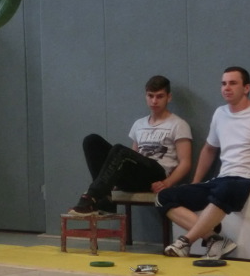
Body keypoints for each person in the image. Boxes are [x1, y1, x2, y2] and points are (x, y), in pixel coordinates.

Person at [157, 66, 250, 259]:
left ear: (246, 88)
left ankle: (185, 242)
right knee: (164, 197)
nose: (226, 88)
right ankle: (214, 239)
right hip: (221, 179)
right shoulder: (220, 114)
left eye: (233, 83)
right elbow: (209, 149)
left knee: (226, 189)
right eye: (223, 83)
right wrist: (196, 182)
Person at [68, 75, 192, 215]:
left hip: (157, 175)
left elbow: (185, 163)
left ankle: (91, 197)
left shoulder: (178, 124)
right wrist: (113, 177)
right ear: (145, 96)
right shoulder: (139, 124)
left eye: (159, 96)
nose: (154, 101)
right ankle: (105, 197)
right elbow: (132, 156)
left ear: (169, 97)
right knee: (91, 141)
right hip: (137, 175)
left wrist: (167, 183)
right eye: (150, 96)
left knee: (119, 150)